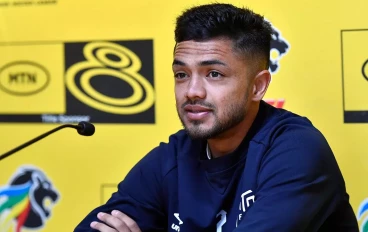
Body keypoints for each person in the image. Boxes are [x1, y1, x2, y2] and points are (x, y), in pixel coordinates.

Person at [74, 3, 359, 232]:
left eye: (214, 74)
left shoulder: (296, 149)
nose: (192, 91)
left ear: (258, 86)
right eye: (181, 75)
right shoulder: (173, 157)